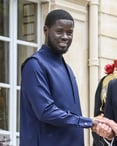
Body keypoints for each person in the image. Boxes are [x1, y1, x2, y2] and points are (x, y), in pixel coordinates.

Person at [20, 9, 98, 146]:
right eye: (59, 31)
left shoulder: (68, 69)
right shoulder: (35, 65)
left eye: (69, 33)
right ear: (46, 30)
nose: (65, 37)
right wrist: (88, 122)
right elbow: (45, 111)